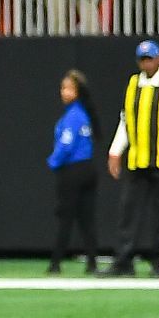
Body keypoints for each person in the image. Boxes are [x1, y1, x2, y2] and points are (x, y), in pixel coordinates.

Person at [105, 40, 159, 278]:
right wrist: (116, 150)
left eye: (150, 58)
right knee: (128, 211)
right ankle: (124, 259)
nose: (146, 63)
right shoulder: (133, 83)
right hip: (138, 157)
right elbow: (125, 119)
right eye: (142, 59)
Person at [47, 70, 99, 275]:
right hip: (88, 169)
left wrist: (53, 162)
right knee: (87, 218)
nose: (64, 92)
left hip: (73, 171)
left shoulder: (73, 116)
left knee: (66, 216)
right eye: (62, 88)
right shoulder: (84, 113)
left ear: (78, 91)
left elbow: (66, 145)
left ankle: (55, 263)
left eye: (68, 88)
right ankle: (92, 262)